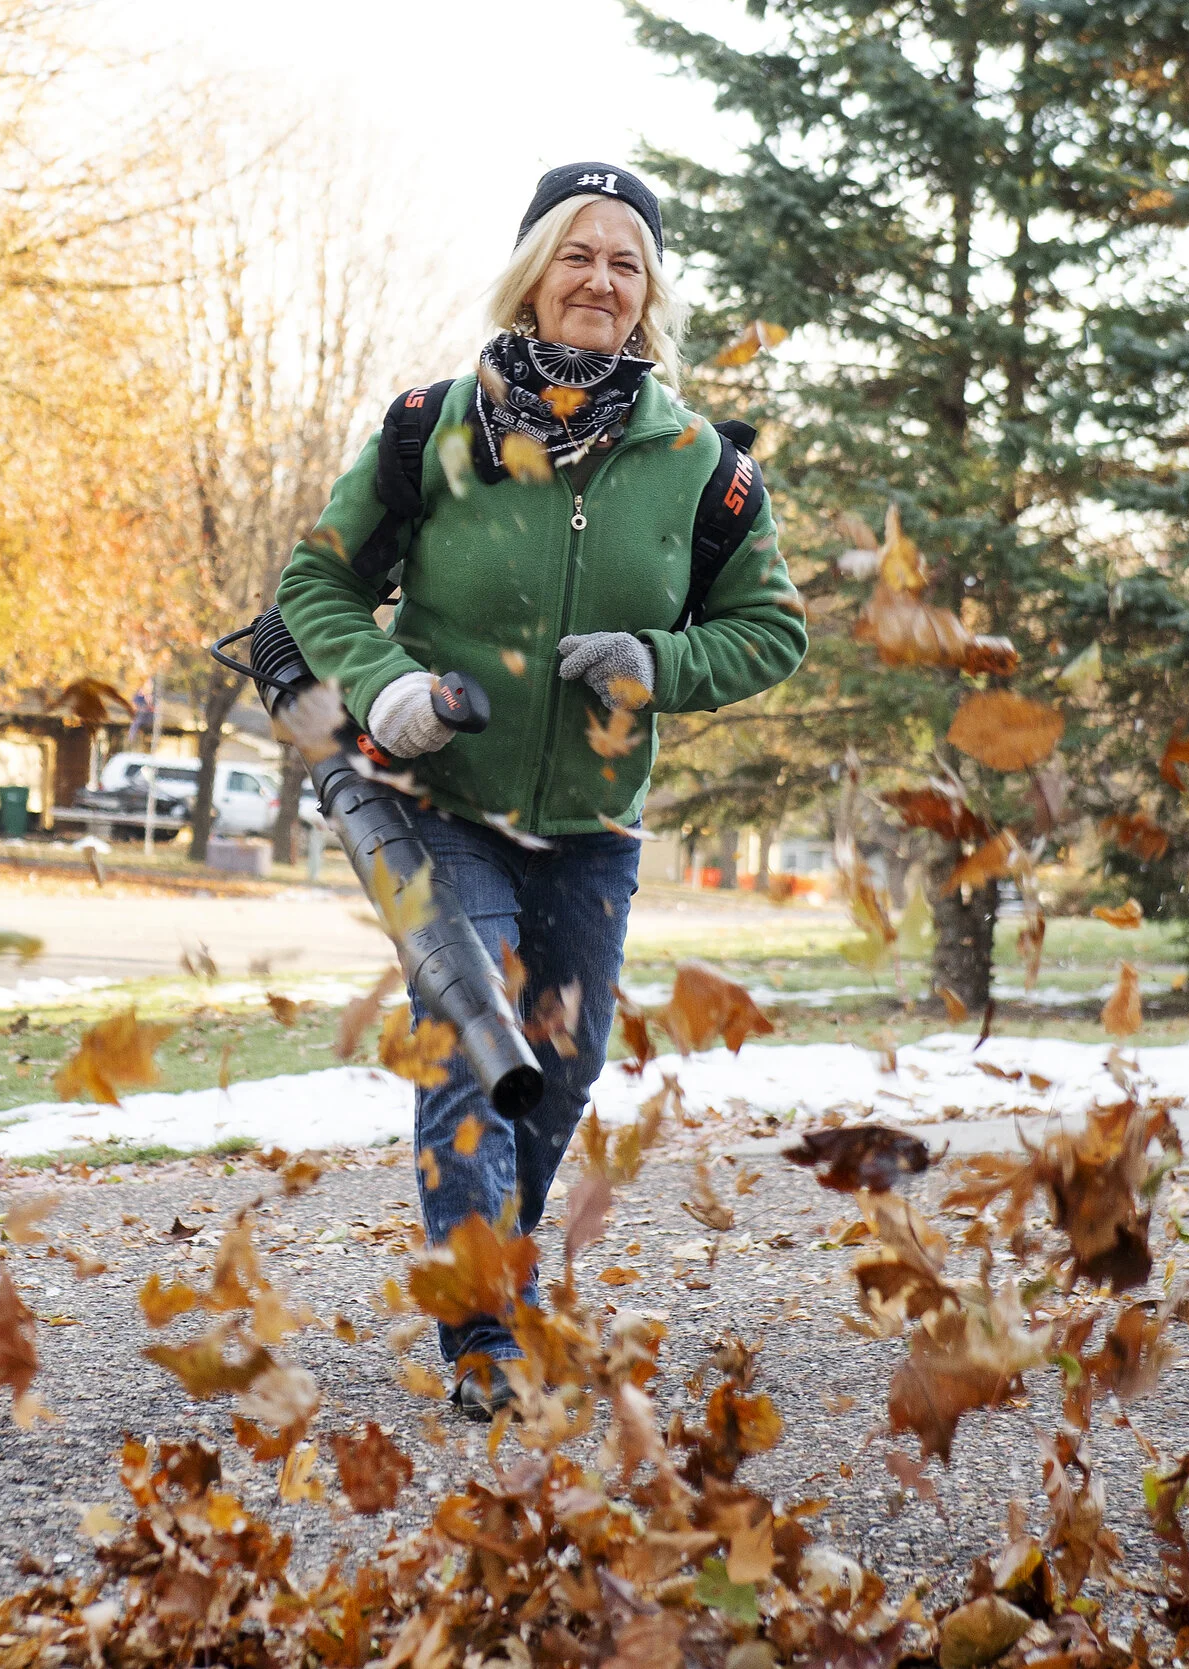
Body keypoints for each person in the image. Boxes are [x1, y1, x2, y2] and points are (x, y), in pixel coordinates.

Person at [275, 163, 805, 1418]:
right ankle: (481, 1338)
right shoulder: (432, 429)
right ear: (531, 272)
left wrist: (659, 663)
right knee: (477, 1044)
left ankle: (492, 1281)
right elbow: (315, 587)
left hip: (590, 831)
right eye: (578, 253)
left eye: (626, 263)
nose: (599, 281)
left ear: (648, 294)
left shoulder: (702, 467)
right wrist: (386, 685)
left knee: (556, 1078)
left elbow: (772, 629)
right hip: (439, 804)